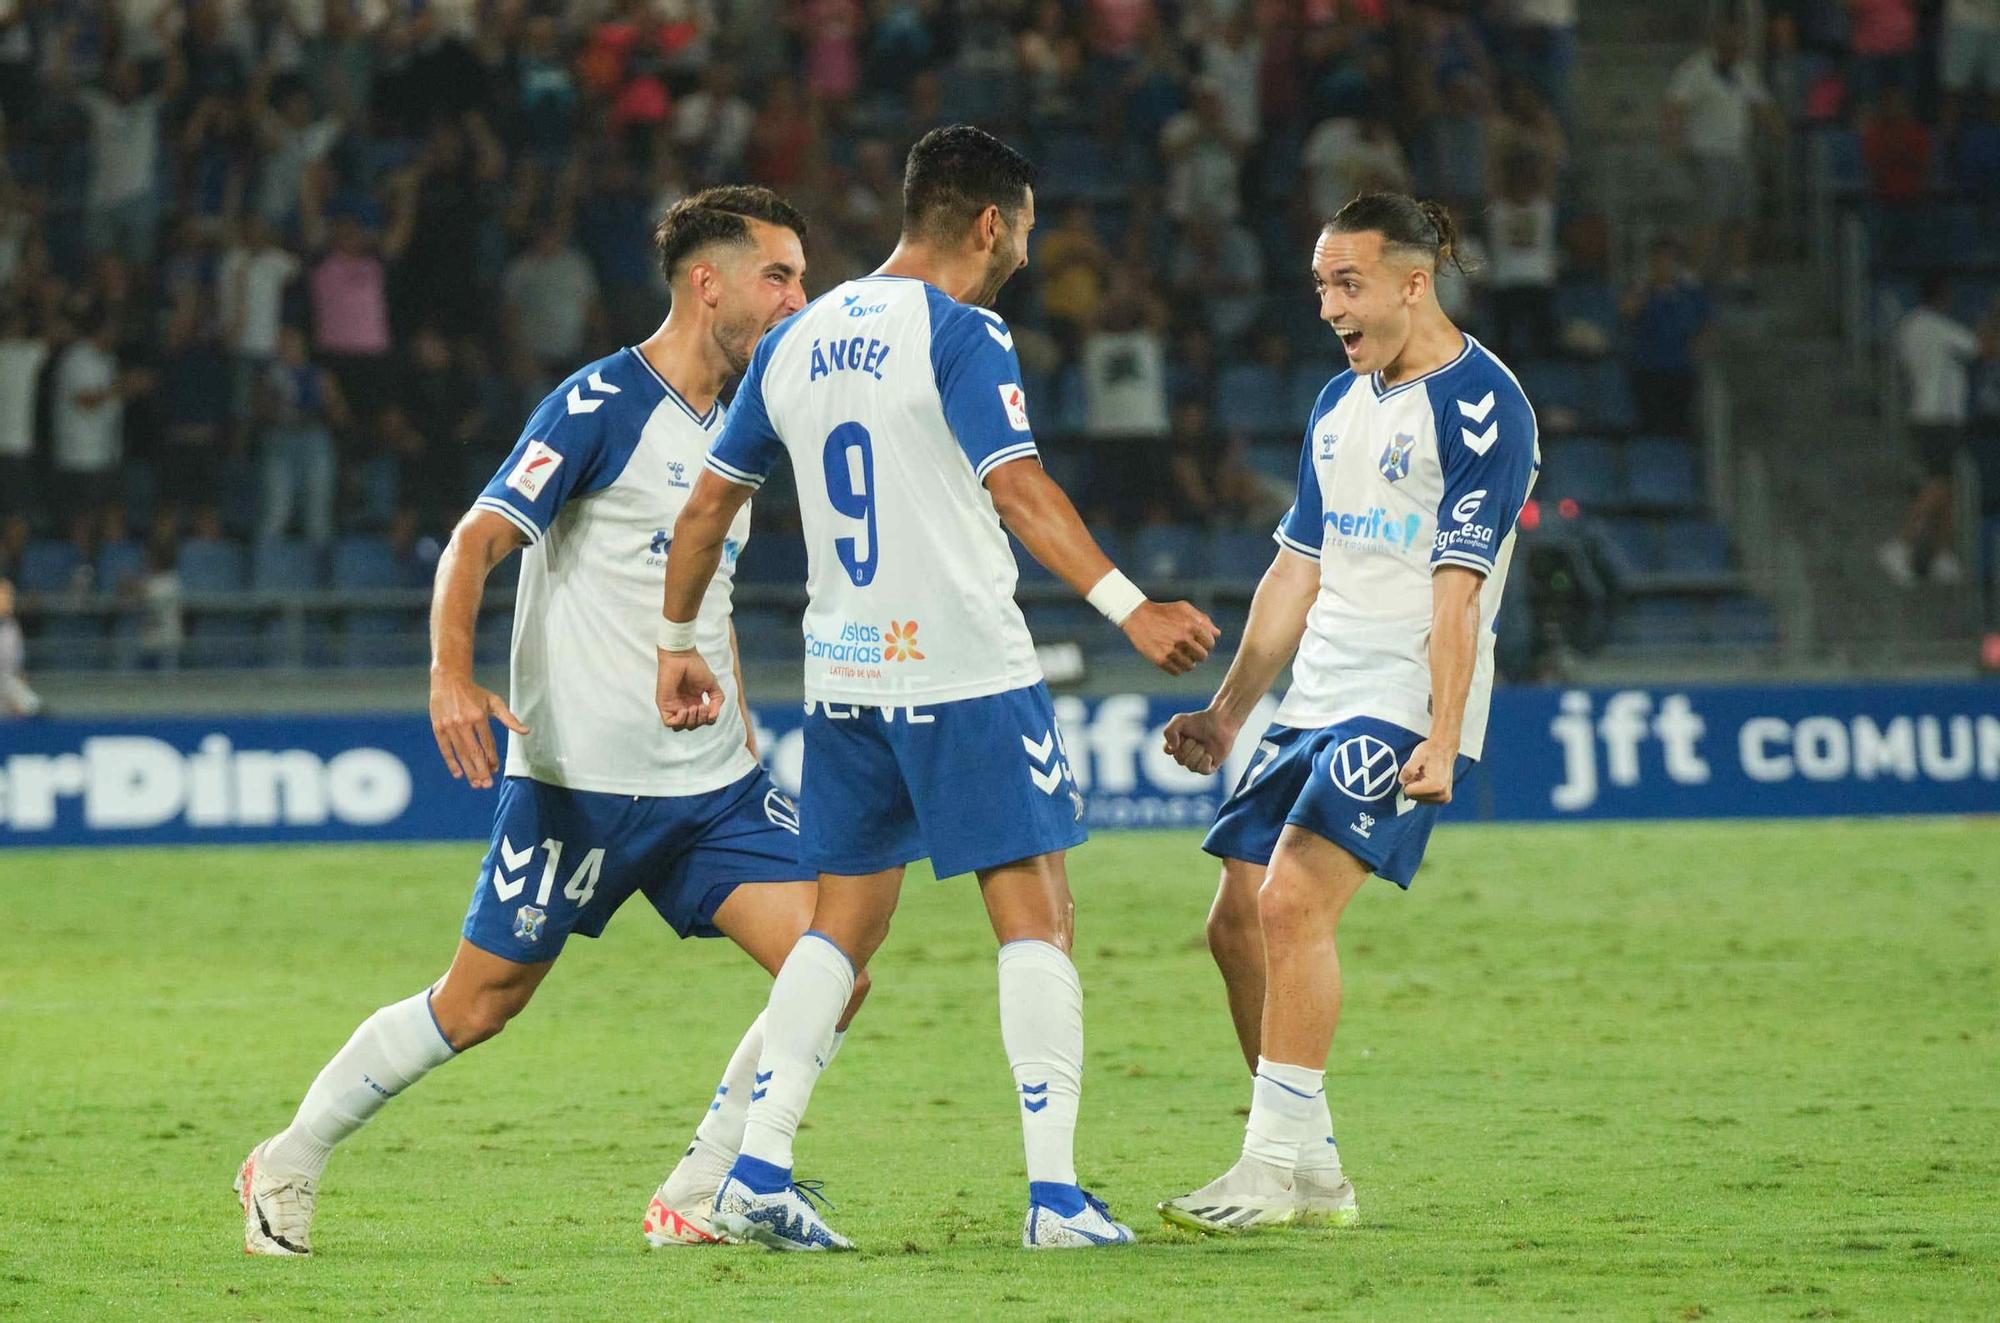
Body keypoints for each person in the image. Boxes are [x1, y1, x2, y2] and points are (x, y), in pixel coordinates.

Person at [235, 186, 870, 1257]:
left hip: (710, 786)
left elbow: (701, 589)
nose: (799, 296)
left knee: (832, 966)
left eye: (802, 276)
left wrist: (745, 725)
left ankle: (702, 1188)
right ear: (707, 282)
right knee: (476, 1006)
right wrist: (448, 674)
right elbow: (473, 542)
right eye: (780, 275)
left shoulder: (758, 421)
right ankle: (287, 1158)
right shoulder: (598, 406)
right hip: (579, 787)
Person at [655, 125, 1219, 1252]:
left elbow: (707, 509)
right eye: (1024, 227)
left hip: (847, 676)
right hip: (963, 670)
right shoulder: (962, 334)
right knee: (1036, 918)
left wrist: (675, 637)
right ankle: (1054, 1196)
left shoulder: (795, 337)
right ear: (990, 224)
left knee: (839, 927)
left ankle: (758, 1171)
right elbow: (1018, 486)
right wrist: (1130, 608)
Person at [1155, 193, 1538, 1234]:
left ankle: (1268, 1167)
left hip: (1401, 697)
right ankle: (1316, 1171)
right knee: (1233, 924)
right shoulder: (1339, 404)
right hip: (1315, 694)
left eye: (1348, 283)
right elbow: (1295, 568)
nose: (1328, 305)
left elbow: (1458, 590)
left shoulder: (1481, 407)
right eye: (1321, 284)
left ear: (1413, 283)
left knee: (1290, 906)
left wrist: (1443, 734)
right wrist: (1230, 711)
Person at [1878, 274, 1999, 586]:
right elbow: (1983, 349)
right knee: (1939, 484)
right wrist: (1992, 316)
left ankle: (1943, 555)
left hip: (1925, 411)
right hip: (1939, 416)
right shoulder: (1937, 326)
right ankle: (1900, 546)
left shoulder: (1909, 326)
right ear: (1943, 296)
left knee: (1948, 487)